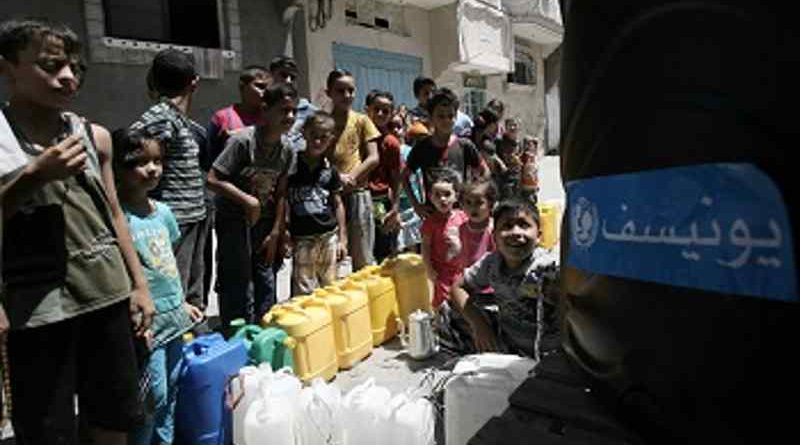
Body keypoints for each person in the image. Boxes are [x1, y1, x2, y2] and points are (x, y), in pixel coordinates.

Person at [0, 19, 154, 443]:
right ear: (8, 68)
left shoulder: (92, 135)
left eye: (72, 67)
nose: (66, 77)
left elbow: (113, 213)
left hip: (105, 295)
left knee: (112, 417)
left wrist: (139, 285)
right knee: (49, 427)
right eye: (50, 66)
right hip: (37, 309)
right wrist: (33, 175)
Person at [112, 129, 203, 445]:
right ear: (118, 170)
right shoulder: (118, 219)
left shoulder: (162, 213)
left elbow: (169, 265)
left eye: (158, 161)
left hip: (174, 318)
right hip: (146, 326)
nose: (152, 169)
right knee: (153, 396)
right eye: (141, 162)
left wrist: (183, 302)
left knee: (173, 386)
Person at [207, 82, 296, 328]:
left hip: (265, 225)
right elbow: (213, 179)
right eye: (283, 110)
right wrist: (246, 200)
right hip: (234, 221)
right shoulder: (243, 142)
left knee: (266, 281)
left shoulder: (287, 149)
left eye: (293, 111)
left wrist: (277, 232)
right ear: (265, 110)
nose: (289, 117)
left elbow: (281, 192)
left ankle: (263, 334)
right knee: (237, 282)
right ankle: (236, 337)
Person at [131, 49, 209, 315]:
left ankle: (194, 342)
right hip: (175, 219)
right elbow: (140, 160)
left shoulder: (176, 119)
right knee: (174, 290)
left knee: (193, 291)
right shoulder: (162, 118)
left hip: (193, 216)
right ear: (194, 83)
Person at [451, 198, 559, 358]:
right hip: (508, 341)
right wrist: (479, 325)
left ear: (539, 237)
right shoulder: (492, 263)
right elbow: (457, 287)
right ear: (494, 238)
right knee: (449, 313)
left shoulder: (545, 266)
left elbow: (569, 287)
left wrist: (557, 290)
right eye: (507, 226)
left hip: (547, 351)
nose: (516, 232)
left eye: (524, 225)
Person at [280, 111, 347, 295]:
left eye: (323, 138)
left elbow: (338, 203)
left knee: (331, 286)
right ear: (304, 133)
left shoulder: (329, 170)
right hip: (303, 238)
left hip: (328, 236)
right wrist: (283, 230)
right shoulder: (292, 165)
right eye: (314, 136)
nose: (318, 142)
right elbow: (282, 197)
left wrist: (343, 238)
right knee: (304, 289)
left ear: (331, 139)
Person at [402, 88, 488, 220]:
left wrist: (474, 197)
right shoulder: (422, 147)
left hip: (461, 216)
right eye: (441, 116)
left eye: (450, 116)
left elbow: (484, 172)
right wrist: (416, 205)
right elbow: (404, 176)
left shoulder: (465, 146)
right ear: (431, 118)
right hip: (433, 217)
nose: (446, 120)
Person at [325, 69, 382, 270]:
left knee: (363, 256)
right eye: (340, 91)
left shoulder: (361, 120)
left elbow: (374, 157)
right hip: (330, 196)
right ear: (328, 93)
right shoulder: (323, 123)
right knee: (332, 257)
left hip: (358, 194)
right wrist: (336, 177)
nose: (347, 95)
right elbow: (317, 157)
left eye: (351, 90)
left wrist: (351, 176)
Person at [420, 167, 468, 309]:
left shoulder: (462, 216)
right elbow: (425, 247)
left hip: (462, 270)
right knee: (443, 306)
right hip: (442, 273)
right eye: (437, 195)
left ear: (456, 196)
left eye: (447, 194)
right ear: (430, 197)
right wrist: (429, 269)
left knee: (463, 304)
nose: (442, 199)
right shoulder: (430, 223)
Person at [206, 65, 271, 166]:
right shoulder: (222, 117)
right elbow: (210, 157)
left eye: (268, 88)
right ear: (242, 87)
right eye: (260, 86)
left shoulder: (271, 118)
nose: (265, 92)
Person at [365, 90, 403, 262]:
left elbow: (396, 177)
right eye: (376, 109)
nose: (380, 114)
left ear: (392, 114)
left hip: (380, 201)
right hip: (358, 197)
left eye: (386, 111)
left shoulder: (391, 143)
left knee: (384, 250)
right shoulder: (359, 136)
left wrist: (395, 208)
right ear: (367, 110)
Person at [270, 55, 318, 152]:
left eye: (292, 77)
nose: (288, 81)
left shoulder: (310, 111)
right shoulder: (265, 109)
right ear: (271, 76)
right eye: (283, 75)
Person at [408, 76, 472, 137]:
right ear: (417, 96)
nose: (430, 96)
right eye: (426, 93)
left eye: (433, 92)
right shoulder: (411, 117)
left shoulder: (458, 117)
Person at [459, 179, 497, 269]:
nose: (473, 207)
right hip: (469, 274)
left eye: (479, 203)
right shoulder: (463, 228)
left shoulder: (493, 228)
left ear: (490, 204)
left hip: (489, 275)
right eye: (468, 202)